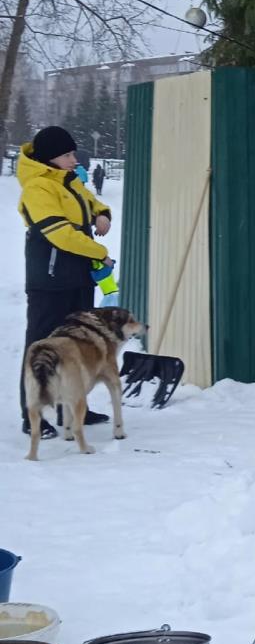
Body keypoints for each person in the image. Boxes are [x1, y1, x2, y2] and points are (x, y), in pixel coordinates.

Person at [17, 126, 114, 437]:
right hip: (49, 280)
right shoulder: (38, 188)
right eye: (67, 155)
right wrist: (101, 252)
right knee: (43, 347)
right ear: (50, 159)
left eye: (74, 153)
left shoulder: (69, 180)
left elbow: (91, 202)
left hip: (78, 277)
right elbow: (60, 233)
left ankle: (72, 410)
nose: (75, 159)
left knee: (76, 347)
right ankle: (32, 414)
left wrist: (103, 214)